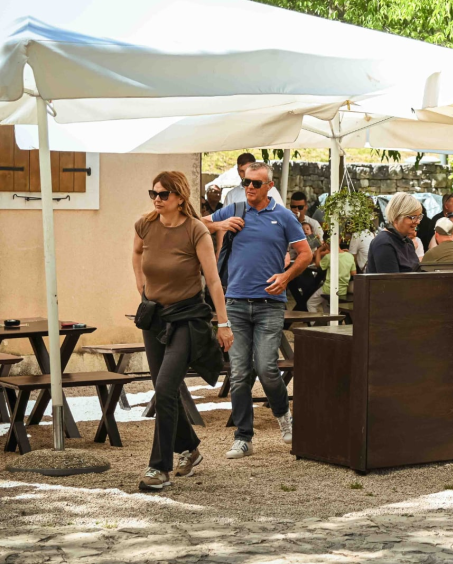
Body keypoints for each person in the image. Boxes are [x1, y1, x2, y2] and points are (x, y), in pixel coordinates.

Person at [133, 171, 231, 492]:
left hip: (188, 318)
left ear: (179, 197)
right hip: (154, 318)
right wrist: (141, 287)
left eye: (163, 194)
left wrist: (223, 322)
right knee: (167, 390)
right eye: (153, 193)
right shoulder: (146, 225)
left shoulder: (196, 230)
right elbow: (137, 253)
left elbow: (213, 280)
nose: (157, 199)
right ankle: (190, 449)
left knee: (163, 387)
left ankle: (158, 468)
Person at [205, 162, 309, 458]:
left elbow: (305, 254)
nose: (249, 187)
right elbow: (196, 224)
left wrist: (286, 276)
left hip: (269, 306)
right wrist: (219, 225)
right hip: (235, 303)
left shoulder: (284, 217)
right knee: (239, 373)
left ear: (269, 187)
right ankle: (243, 437)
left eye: (256, 184)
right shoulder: (234, 210)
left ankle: (283, 415)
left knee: (266, 368)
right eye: (246, 182)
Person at [367, 192, 424, 273]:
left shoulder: (407, 241)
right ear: (396, 217)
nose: (418, 221)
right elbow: (391, 283)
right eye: (413, 217)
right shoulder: (384, 243)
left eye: (419, 217)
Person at [319, 236, 357, 307]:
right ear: (339, 241)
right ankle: (328, 317)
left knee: (310, 303)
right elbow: (353, 273)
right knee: (326, 303)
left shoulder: (329, 256)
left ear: (326, 243)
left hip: (328, 289)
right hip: (343, 290)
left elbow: (318, 265)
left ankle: (322, 317)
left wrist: (318, 251)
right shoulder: (350, 256)